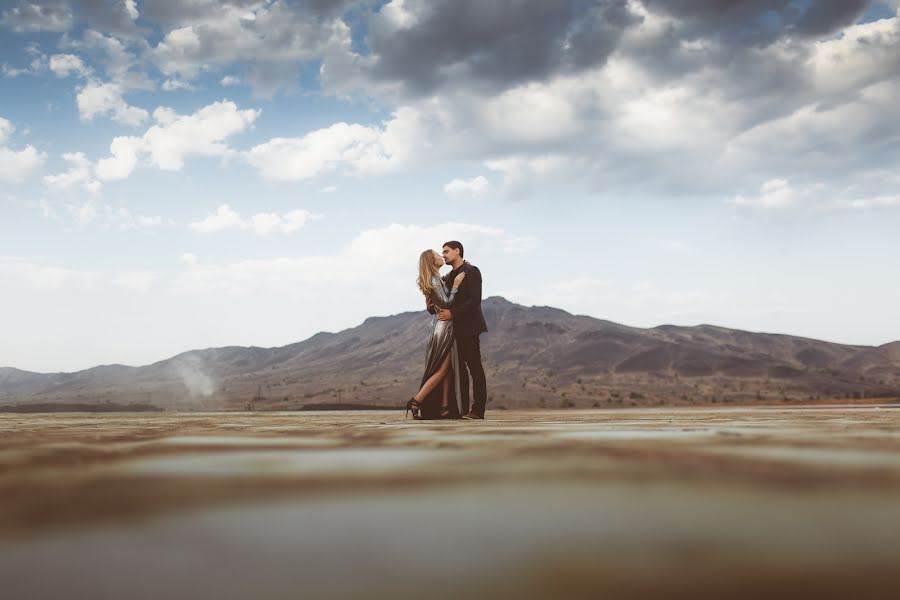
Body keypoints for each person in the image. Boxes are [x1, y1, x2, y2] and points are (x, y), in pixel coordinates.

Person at [429, 241, 488, 420]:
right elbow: (441, 304)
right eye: (442, 252)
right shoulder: (447, 277)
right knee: (458, 371)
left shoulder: (472, 271)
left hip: (469, 328)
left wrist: (452, 313)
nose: (444, 255)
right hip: (452, 331)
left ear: (457, 251)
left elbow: (474, 300)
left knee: (474, 368)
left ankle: (478, 410)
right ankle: (460, 410)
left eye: (446, 251)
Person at [406, 250, 466, 420]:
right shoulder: (434, 279)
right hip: (443, 326)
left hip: (442, 325)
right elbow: (446, 303)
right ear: (432, 261)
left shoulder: (436, 279)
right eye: (438, 255)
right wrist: (455, 285)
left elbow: (434, 306)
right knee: (443, 369)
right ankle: (416, 401)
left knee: (447, 370)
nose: (441, 256)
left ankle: (445, 407)